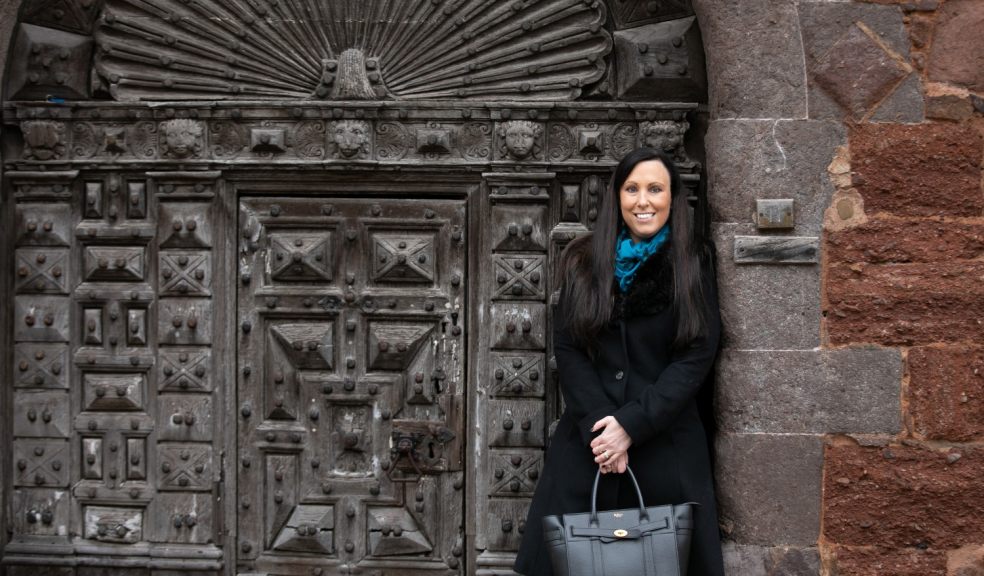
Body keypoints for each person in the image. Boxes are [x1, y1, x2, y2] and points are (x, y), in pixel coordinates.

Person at [513, 148, 725, 576]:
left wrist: (631, 425)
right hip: (589, 446)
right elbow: (569, 349)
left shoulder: (693, 261)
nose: (643, 201)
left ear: (672, 197)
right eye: (632, 189)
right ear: (617, 197)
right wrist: (603, 428)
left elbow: (697, 353)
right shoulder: (583, 260)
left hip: (664, 447)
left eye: (654, 189)